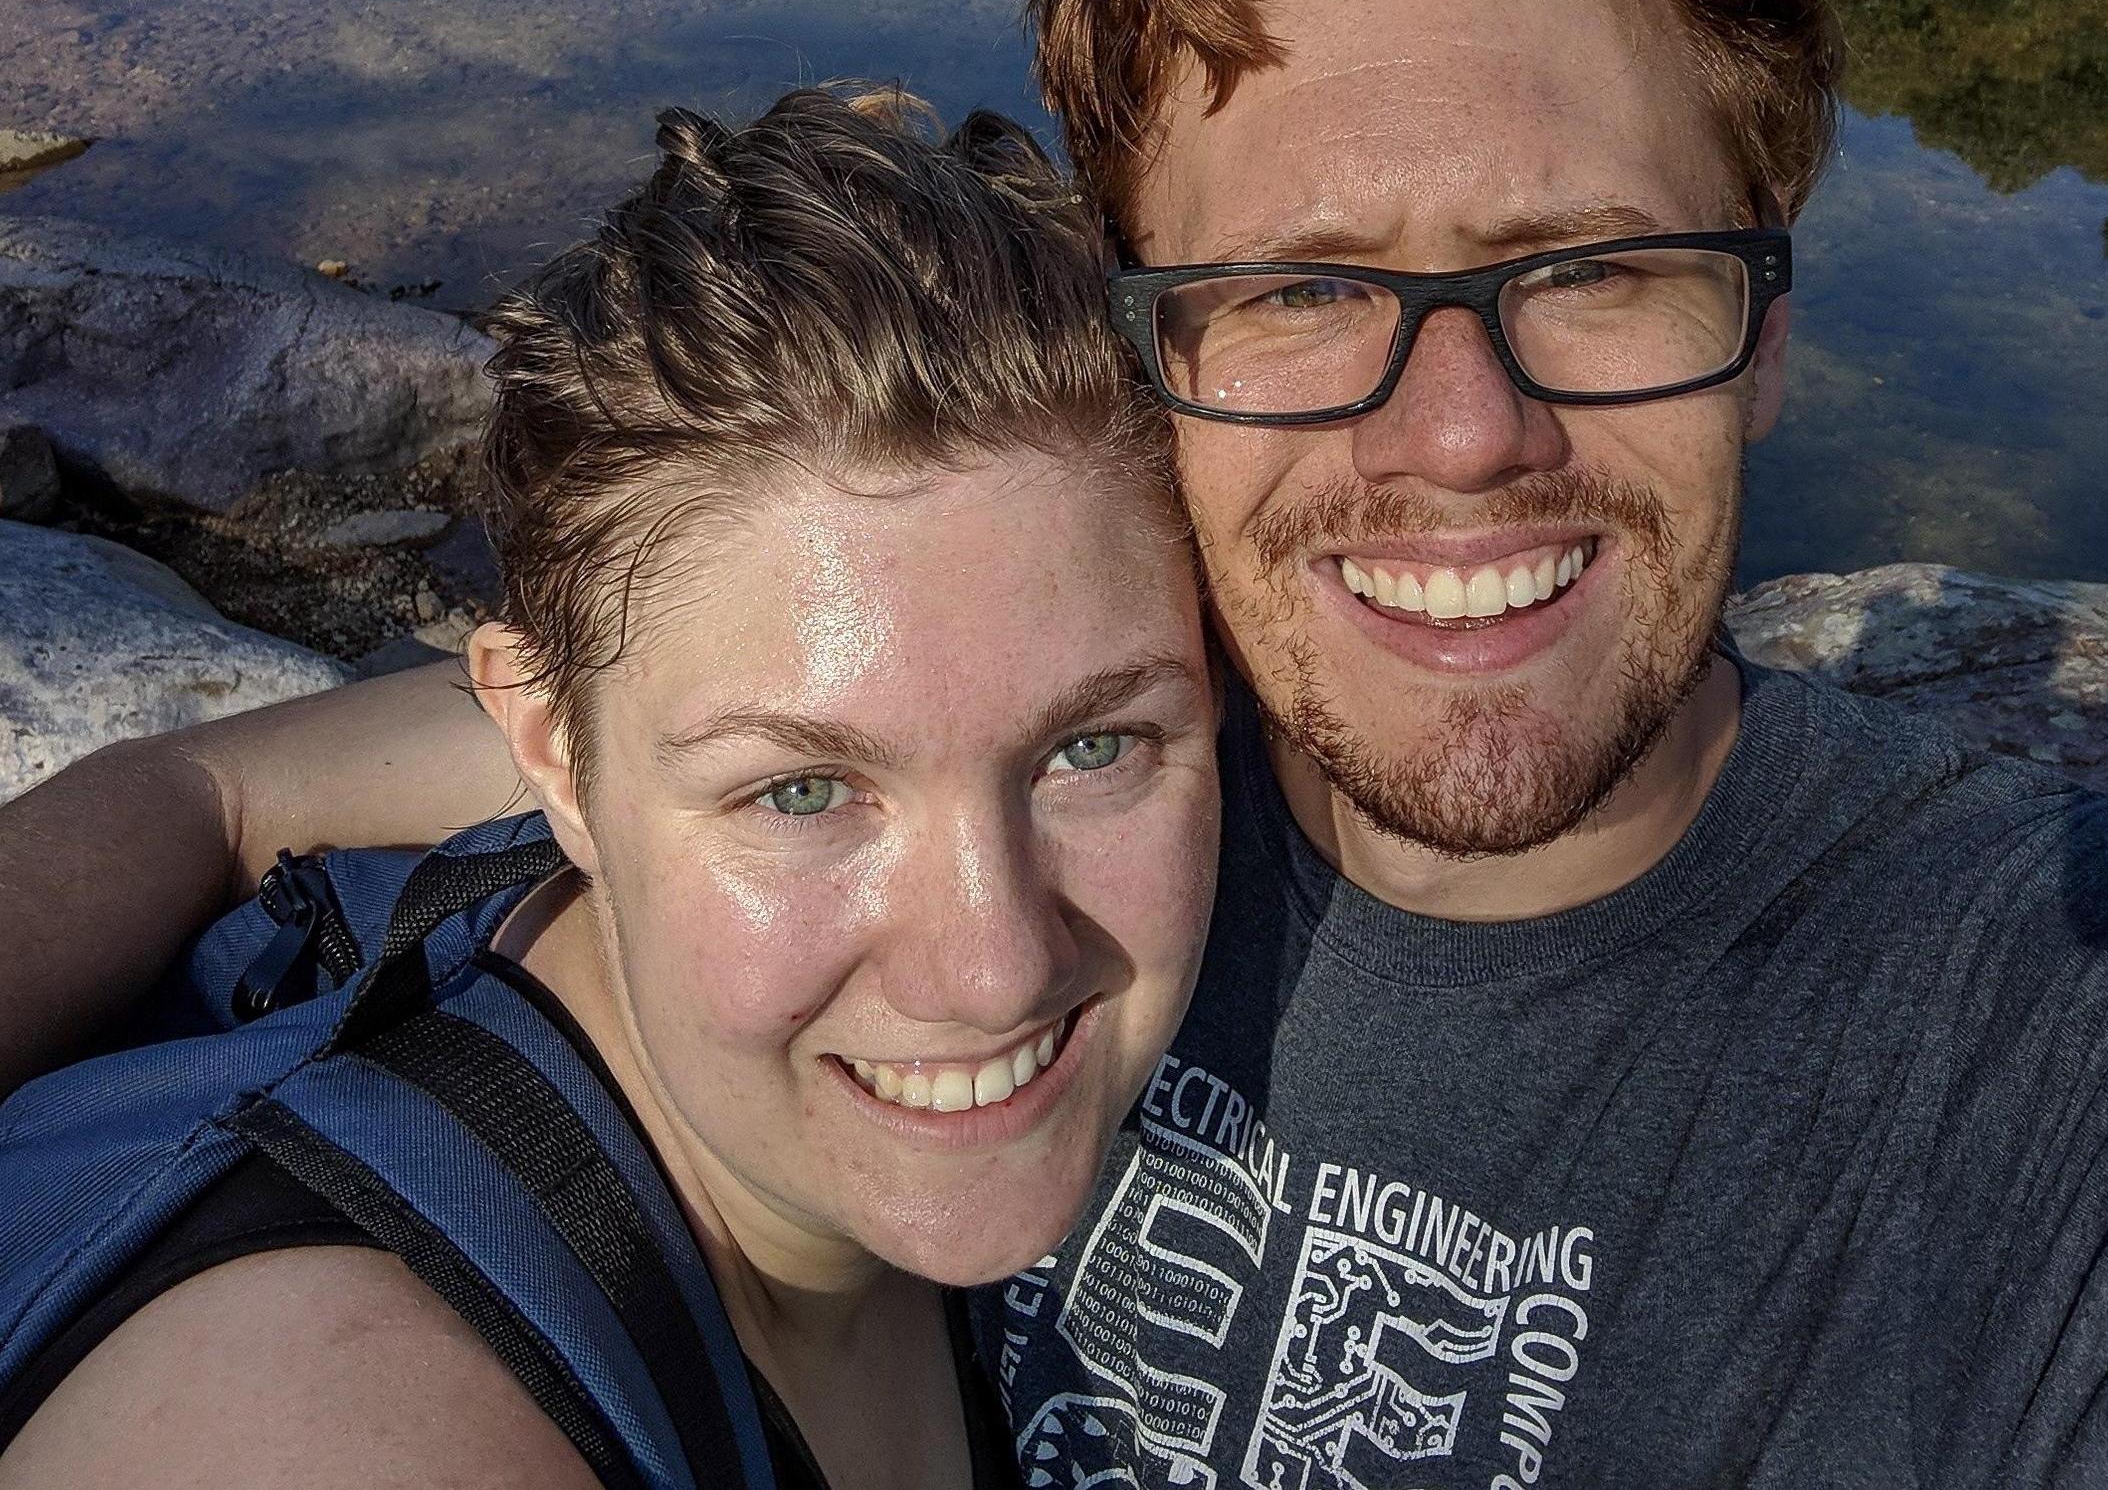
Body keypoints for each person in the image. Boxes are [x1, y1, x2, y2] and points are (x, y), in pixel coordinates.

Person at [4, 0, 2108, 1486]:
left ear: (1770, 323)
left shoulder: (2064, 1014)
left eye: (1593, 268)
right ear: (1157, 350)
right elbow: (226, 791)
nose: (1457, 433)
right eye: (1297, 291)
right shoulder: (1079, 692)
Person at [0, 88, 1223, 1490]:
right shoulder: (332, 1420)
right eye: (805, 791)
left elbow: (211, 780)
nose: (990, 962)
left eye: (1091, 748)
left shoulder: (655, 739)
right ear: (554, 752)